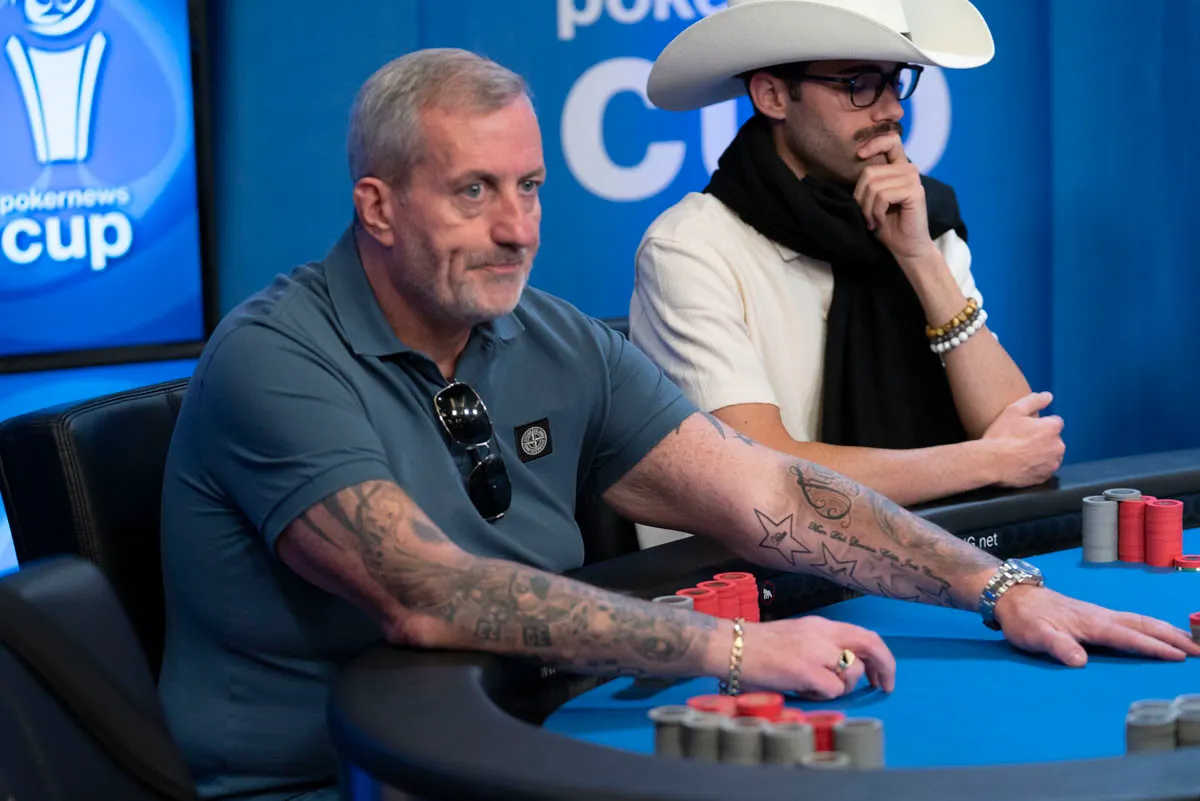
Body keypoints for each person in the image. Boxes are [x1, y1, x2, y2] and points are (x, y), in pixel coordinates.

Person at [157, 48, 1198, 801]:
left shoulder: (554, 340)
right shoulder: (270, 358)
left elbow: (770, 493)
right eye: (472, 192)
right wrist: (733, 645)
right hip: (325, 777)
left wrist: (1000, 587)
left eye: (529, 188)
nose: (516, 229)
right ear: (378, 207)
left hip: (533, 735)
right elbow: (427, 594)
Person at [630, 0, 1066, 507]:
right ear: (772, 96)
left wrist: (919, 259)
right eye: (859, 83)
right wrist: (981, 462)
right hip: (753, 557)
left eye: (895, 81)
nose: (893, 110)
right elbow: (754, 471)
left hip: (930, 549)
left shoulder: (921, 219)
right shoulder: (690, 247)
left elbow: (1018, 431)